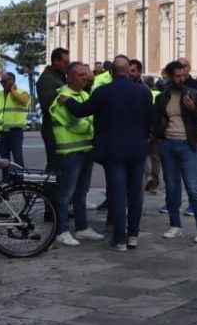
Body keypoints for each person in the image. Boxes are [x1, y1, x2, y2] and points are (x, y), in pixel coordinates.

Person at [61, 56, 155, 251]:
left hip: (112, 150)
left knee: (117, 193)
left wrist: (68, 100)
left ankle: (119, 239)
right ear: (129, 71)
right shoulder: (143, 92)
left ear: (111, 71)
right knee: (135, 194)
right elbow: (153, 120)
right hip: (137, 149)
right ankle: (133, 236)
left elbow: (81, 111)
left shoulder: (103, 92)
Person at [154, 61, 197, 242]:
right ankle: (175, 225)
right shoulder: (162, 97)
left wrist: (193, 109)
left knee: (193, 188)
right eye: (177, 76)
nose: (181, 79)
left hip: (187, 144)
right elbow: (158, 120)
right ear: (169, 76)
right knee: (171, 188)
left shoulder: (193, 94)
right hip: (168, 144)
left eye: (183, 75)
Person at [49, 62, 104, 247]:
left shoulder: (84, 95)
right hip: (70, 152)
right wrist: (92, 127)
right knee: (66, 194)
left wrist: (91, 124)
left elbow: (91, 117)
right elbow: (75, 124)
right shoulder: (62, 98)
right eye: (80, 75)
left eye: (85, 75)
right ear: (70, 77)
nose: (85, 77)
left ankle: (82, 228)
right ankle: (61, 231)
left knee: (82, 192)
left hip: (86, 150)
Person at [36, 48, 69, 173]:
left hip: (58, 130)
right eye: (65, 62)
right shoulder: (48, 80)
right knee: (55, 165)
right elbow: (49, 106)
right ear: (56, 61)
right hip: (53, 130)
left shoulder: (59, 77)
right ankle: (49, 191)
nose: (67, 65)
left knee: (58, 165)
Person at [0, 72, 31, 167]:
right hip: (1, 132)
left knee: (17, 157)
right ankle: (6, 180)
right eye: (1, 82)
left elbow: (24, 101)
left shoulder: (22, 92)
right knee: (3, 159)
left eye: (4, 81)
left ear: (12, 81)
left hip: (15, 131)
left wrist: (13, 92)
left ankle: (19, 179)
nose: (2, 84)